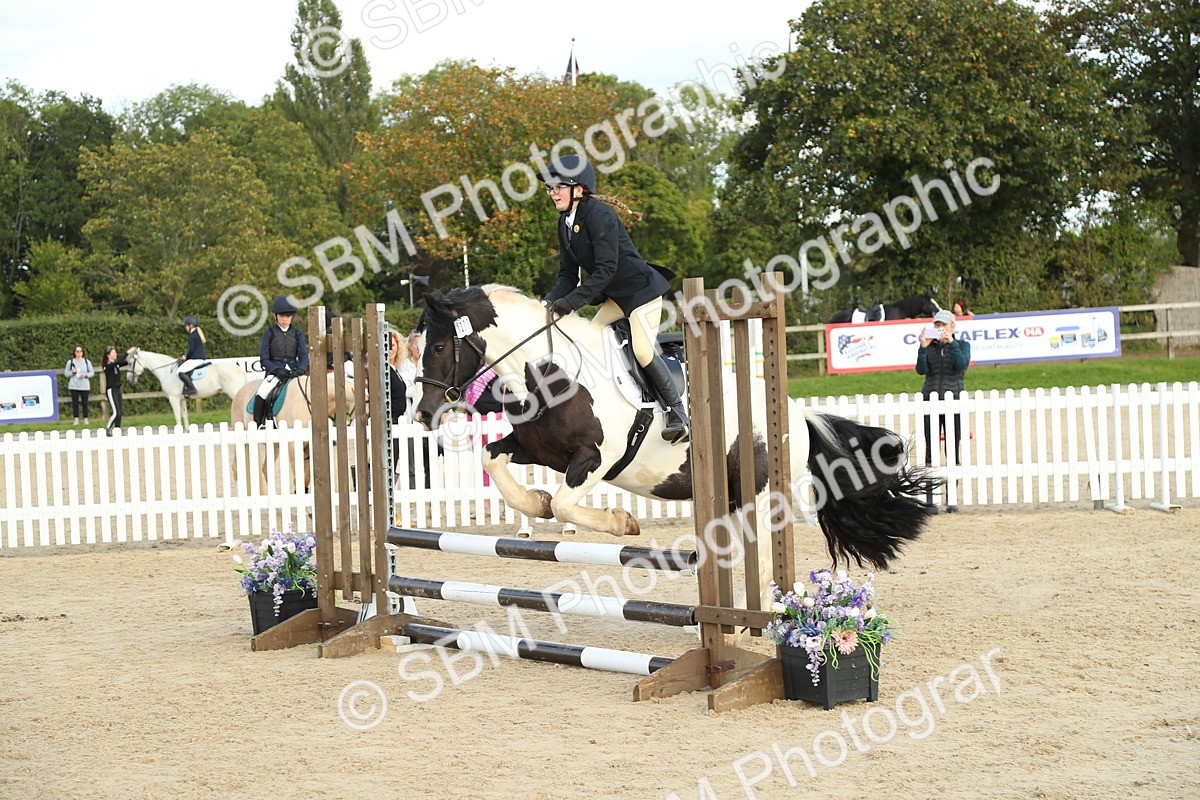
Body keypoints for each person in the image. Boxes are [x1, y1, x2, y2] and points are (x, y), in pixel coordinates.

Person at [536, 153, 689, 443]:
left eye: (558, 187)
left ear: (578, 189)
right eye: (550, 188)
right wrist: (546, 304)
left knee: (643, 351)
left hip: (641, 293)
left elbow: (607, 269)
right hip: (617, 298)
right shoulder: (565, 223)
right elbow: (568, 276)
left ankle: (676, 412)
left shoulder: (600, 215)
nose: (552, 192)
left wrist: (570, 304)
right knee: (591, 342)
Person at [917, 309, 971, 510]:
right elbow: (921, 370)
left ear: (952, 327)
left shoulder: (963, 345)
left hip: (953, 401)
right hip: (930, 400)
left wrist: (952, 344)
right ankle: (931, 500)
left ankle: (952, 499)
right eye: (937, 325)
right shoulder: (929, 347)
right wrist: (923, 347)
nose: (940, 328)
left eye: (943, 325)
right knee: (930, 450)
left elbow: (961, 365)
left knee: (952, 449)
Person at [254, 296, 310, 426]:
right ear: (276, 316)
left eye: (288, 316)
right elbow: (264, 358)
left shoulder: (297, 333)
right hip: (275, 371)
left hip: (294, 371)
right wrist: (275, 370)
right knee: (262, 392)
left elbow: (303, 355)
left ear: (292, 317)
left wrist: (301, 369)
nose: (285, 319)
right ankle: (259, 422)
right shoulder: (269, 333)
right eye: (282, 316)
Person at [101, 346, 137, 433]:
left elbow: (125, 362)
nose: (115, 354)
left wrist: (133, 356)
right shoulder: (107, 365)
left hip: (117, 390)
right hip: (111, 390)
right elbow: (119, 362)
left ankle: (117, 430)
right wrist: (127, 352)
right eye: (113, 353)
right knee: (115, 412)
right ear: (108, 355)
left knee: (120, 412)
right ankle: (108, 429)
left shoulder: (116, 365)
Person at [63, 345, 95, 425]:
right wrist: (72, 372)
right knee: (75, 403)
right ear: (74, 352)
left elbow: (92, 372)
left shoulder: (87, 362)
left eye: (80, 351)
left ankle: (86, 419)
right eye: (77, 351)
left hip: (84, 386)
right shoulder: (70, 362)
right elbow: (66, 373)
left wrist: (86, 375)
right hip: (74, 385)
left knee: (85, 403)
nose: (79, 353)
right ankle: (76, 419)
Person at [177, 316, 207, 397]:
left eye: (186, 326)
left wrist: (186, 357)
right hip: (200, 358)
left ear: (190, 326)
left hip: (196, 359)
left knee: (180, 371)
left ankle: (192, 389)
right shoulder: (197, 333)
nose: (185, 328)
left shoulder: (192, 335)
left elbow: (191, 350)